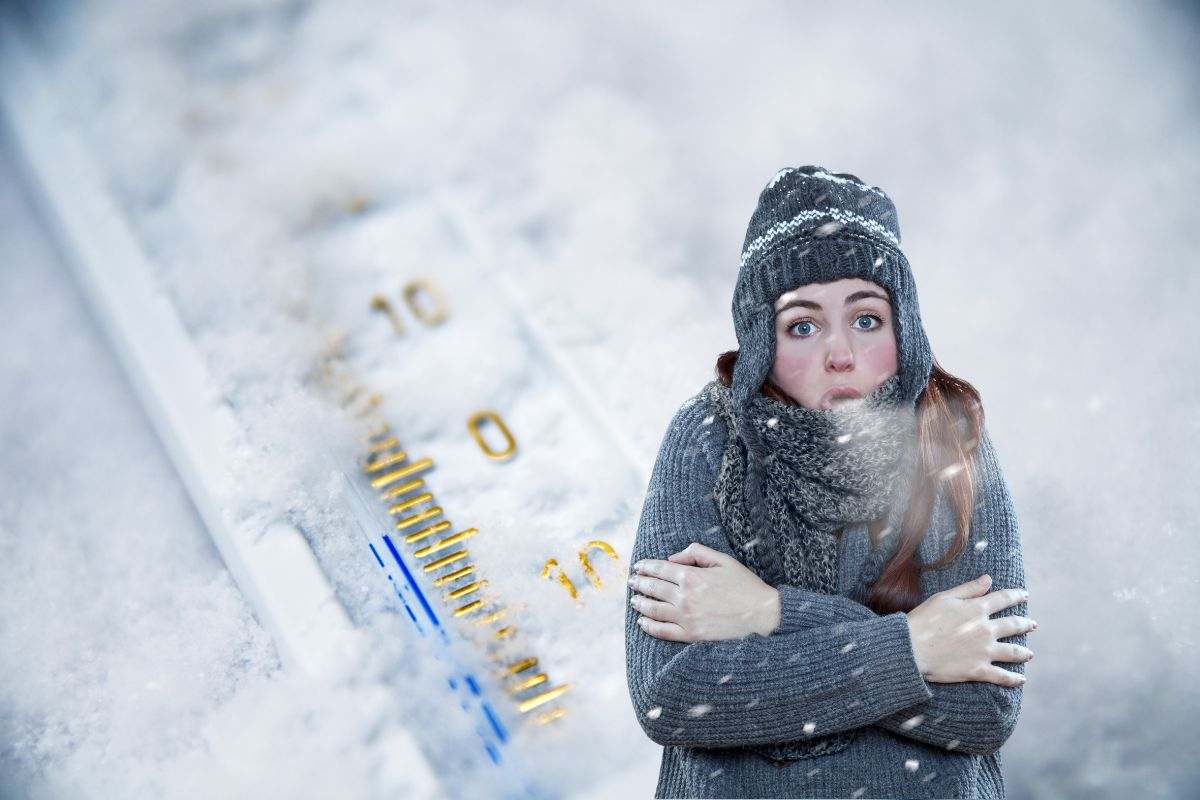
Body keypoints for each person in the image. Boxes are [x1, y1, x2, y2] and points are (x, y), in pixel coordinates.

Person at [623, 165, 1034, 799]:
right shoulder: (712, 433)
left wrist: (768, 613)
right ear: (762, 338)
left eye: (866, 319)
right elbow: (671, 693)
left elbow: (984, 712)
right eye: (803, 326)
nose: (839, 354)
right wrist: (914, 650)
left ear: (904, 325)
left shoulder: (949, 440)